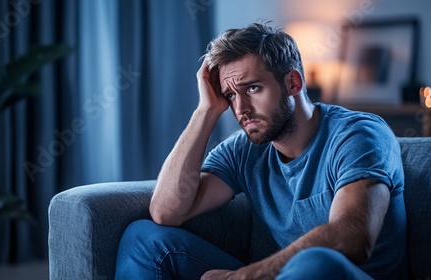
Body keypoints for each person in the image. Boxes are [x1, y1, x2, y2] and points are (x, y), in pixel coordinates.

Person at [114, 22, 407, 280]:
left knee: (318, 261)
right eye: (230, 95)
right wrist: (205, 111)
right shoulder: (245, 149)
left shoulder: (357, 134)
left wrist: (244, 276)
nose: (240, 109)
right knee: (144, 237)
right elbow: (166, 213)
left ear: (293, 82)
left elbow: (353, 237)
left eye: (252, 88)